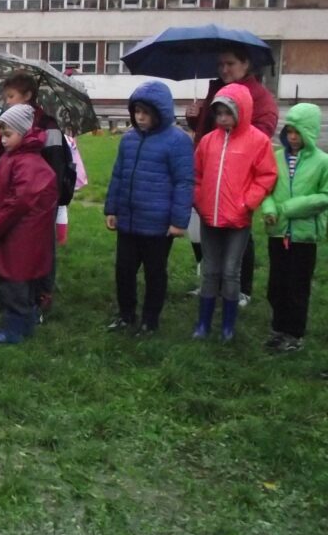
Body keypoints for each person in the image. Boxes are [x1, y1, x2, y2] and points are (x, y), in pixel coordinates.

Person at [185, 45, 279, 306]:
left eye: (230, 64)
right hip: (209, 171)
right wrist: (195, 118)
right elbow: (208, 127)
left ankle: (241, 288)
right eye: (221, 65)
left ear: (246, 64)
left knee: (239, 237)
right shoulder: (216, 89)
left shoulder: (260, 97)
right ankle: (209, 282)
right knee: (203, 230)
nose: (224, 69)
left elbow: (261, 135)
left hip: (238, 179)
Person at [103, 82, 194, 335]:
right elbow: (118, 174)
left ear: (160, 112)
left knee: (155, 274)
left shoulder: (178, 141)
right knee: (124, 270)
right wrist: (112, 209)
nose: (140, 117)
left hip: (158, 224)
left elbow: (184, 182)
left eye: (146, 112)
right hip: (129, 220)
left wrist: (178, 221)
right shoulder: (129, 139)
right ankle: (126, 315)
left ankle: (150, 321)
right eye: (136, 111)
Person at [0, 72, 77, 317]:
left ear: (28, 96)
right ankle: (14, 299)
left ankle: (42, 295)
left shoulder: (48, 126)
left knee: (41, 250)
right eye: (5, 96)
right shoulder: (10, 124)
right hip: (15, 199)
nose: (7, 101)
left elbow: (56, 166)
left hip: (40, 203)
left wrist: (50, 201)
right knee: (16, 250)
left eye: (11, 96)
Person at [192, 84, 277, 341]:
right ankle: (203, 324)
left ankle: (228, 327)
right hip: (209, 218)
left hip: (238, 221)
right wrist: (199, 199)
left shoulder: (257, 141)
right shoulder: (208, 141)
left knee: (230, 272)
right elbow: (196, 174)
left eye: (227, 113)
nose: (222, 118)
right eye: (218, 113)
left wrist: (247, 203)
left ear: (241, 111)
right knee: (210, 271)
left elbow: (266, 175)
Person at [0, 104, 58, 343]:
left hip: (18, 235)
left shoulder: (27, 162)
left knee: (15, 284)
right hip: (14, 232)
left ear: (24, 133)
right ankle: (23, 324)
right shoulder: (14, 156)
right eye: (1, 134)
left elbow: (20, 201)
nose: (3, 140)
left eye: (8, 135)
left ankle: (15, 330)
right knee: (14, 282)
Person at [260, 103, 328, 353]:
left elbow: (324, 197)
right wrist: (269, 210)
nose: (292, 137)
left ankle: (295, 333)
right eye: (289, 131)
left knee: (297, 287)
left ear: (308, 132)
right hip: (278, 233)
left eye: (298, 132)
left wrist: (289, 208)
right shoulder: (276, 158)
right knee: (276, 284)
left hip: (303, 237)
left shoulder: (323, 162)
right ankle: (278, 329)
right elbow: (265, 188)